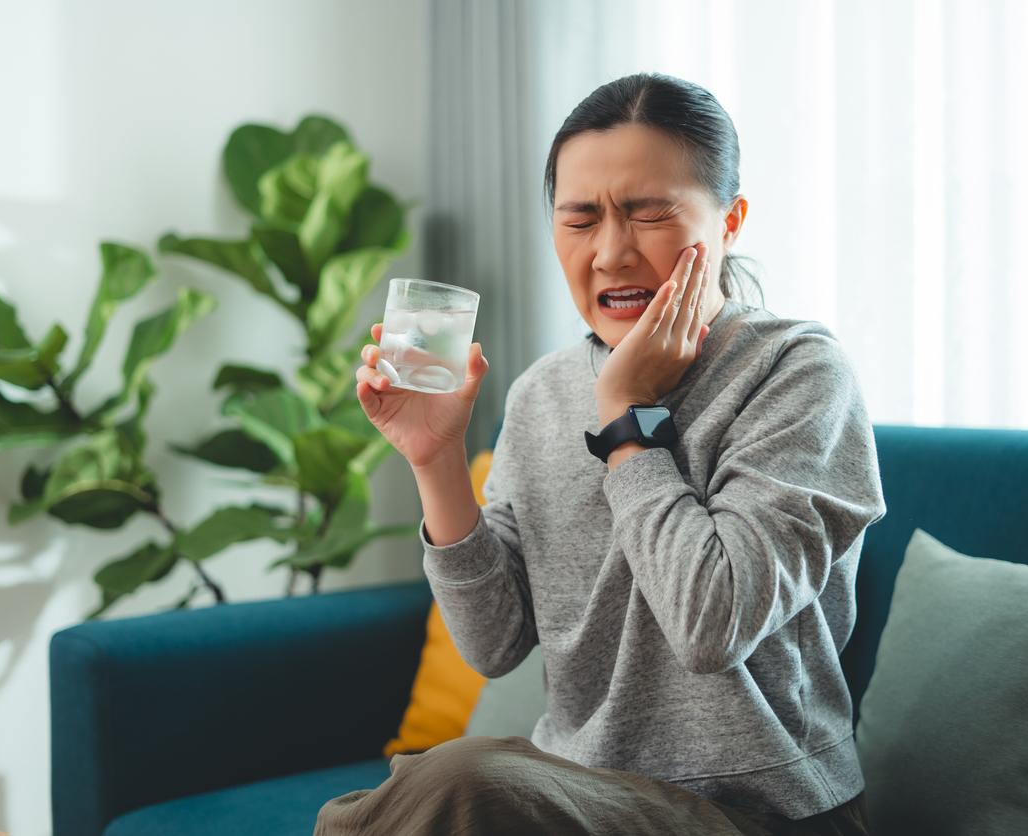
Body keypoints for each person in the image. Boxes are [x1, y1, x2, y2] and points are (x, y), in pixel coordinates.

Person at [318, 72, 886, 836]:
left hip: (764, 814)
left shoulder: (799, 375)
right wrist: (435, 459)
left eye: (648, 213)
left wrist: (626, 421)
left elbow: (711, 623)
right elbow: (494, 645)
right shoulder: (541, 393)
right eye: (579, 219)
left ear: (732, 220)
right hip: (575, 800)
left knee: (450, 785)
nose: (612, 252)